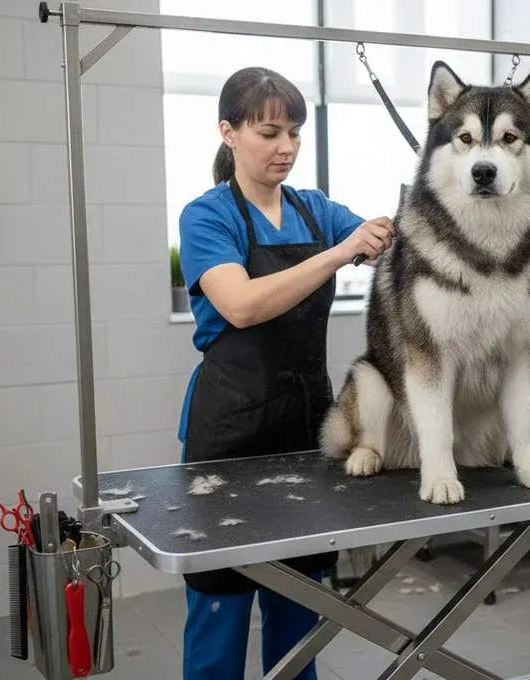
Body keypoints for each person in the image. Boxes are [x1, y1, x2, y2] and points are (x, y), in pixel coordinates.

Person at [174, 66, 395, 680]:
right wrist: (341, 250)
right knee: (220, 603)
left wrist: (396, 223)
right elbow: (242, 305)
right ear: (229, 132)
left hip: (305, 428)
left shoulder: (313, 208)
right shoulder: (207, 216)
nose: (287, 147)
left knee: (302, 603)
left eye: (294, 132)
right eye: (270, 132)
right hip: (230, 434)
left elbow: (384, 241)